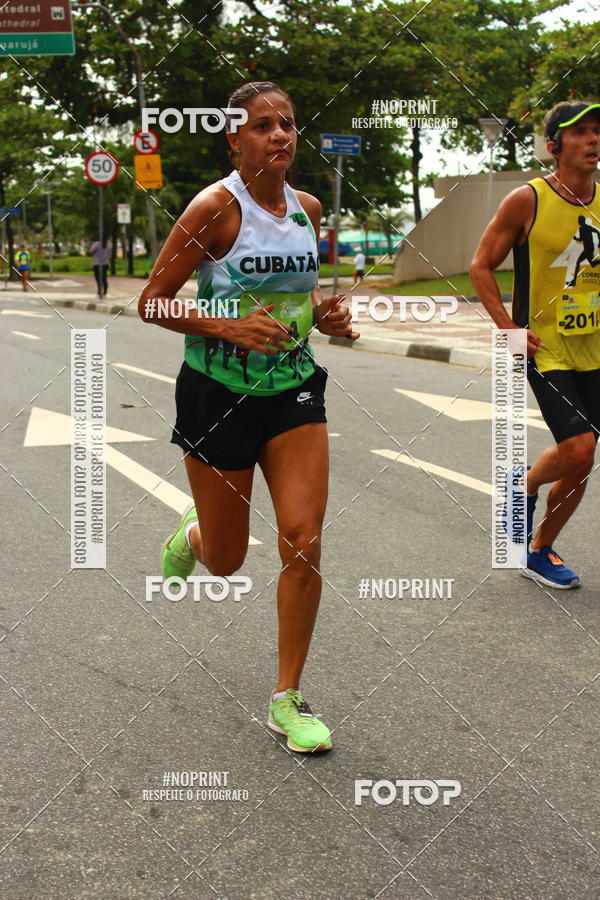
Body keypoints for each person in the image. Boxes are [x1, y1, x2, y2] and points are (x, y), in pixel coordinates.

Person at [138, 81, 359, 751]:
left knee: (304, 539)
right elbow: (153, 301)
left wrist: (327, 316)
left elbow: (304, 294)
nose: (281, 135)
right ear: (235, 140)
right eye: (263, 126)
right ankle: (197, 533)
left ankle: (287, 699)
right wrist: (225, 326)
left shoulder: (308, 209)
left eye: (288, 124)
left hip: (292, 392)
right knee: (229, 562)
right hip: (216, 395)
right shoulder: (214, 209)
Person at [471, 100, 600, 589]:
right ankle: (522, 486)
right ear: (554, 146)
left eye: (596, 131)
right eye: (580, 132)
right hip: (546, 348)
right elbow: (481, 265)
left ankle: (540, 547)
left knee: (581, 459)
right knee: (580, 446)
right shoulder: (527, 199)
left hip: (595, 347)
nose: (592, 139)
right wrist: (508, 328)